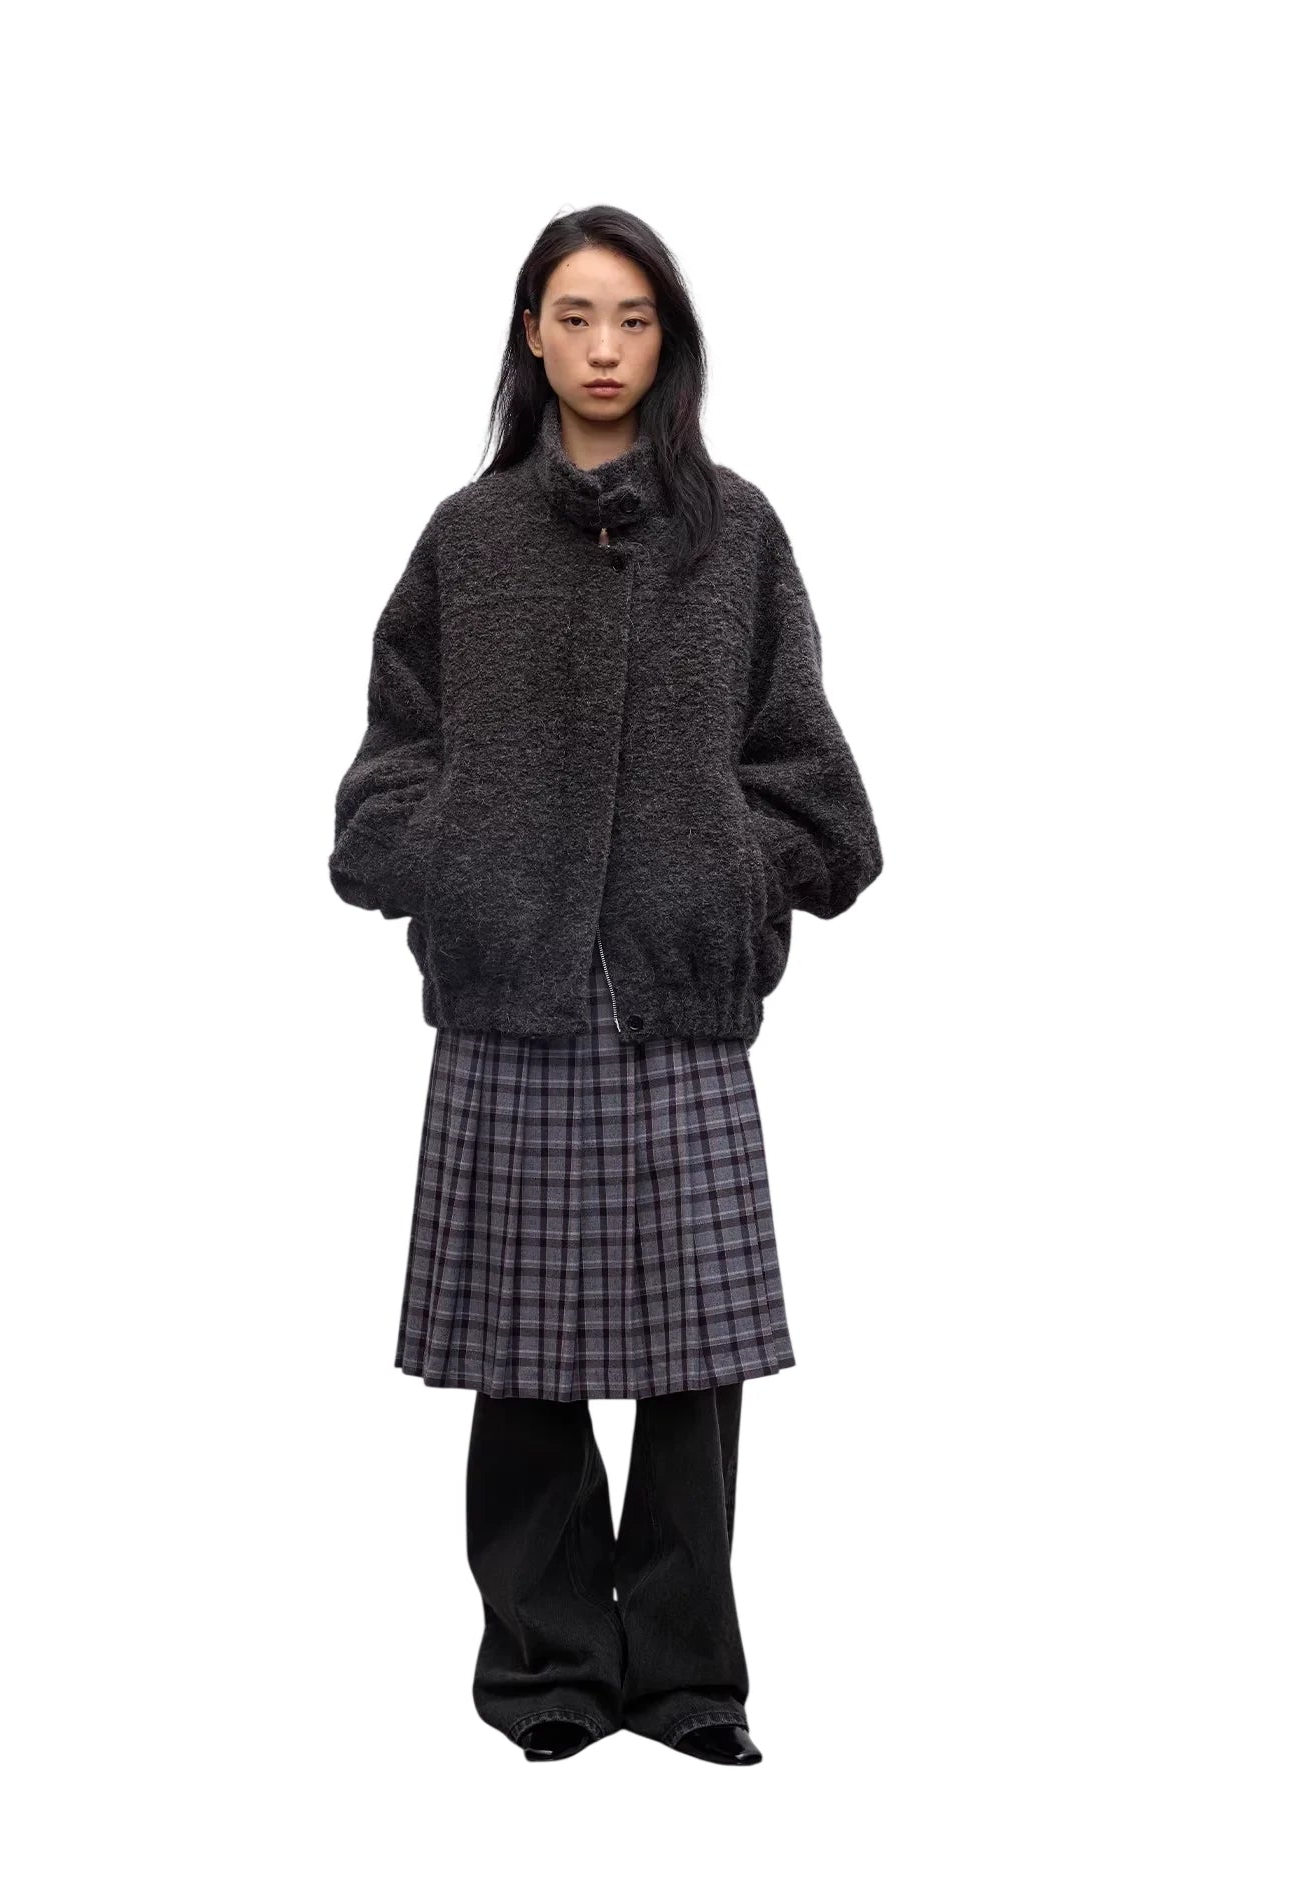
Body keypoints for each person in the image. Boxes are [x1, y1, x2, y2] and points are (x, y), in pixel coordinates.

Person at [328, 204, 883, 1765]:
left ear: (668, 341)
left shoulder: (738, 535)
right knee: (521, 1367)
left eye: (632, 319)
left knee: (695, 1367)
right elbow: (391, 764)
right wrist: (450, 860)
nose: (602, 348)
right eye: (574, 316)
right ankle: (549, 1671)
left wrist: (736, 871)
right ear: (531, 333)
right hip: (509, 989)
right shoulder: (468, 538)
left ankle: (690, 1678)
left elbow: (810, 778)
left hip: (675, 994)